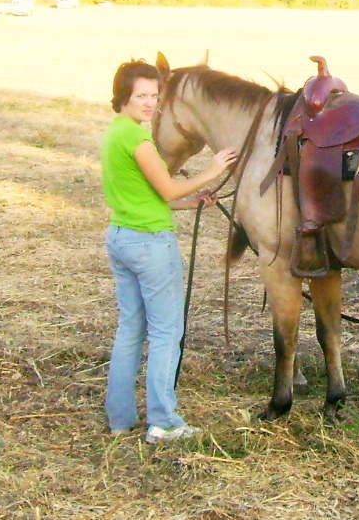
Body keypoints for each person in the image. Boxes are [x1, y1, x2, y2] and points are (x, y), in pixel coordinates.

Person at [101, 59, 238, 444]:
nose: (148, 103)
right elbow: (167, 189)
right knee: (166, 332)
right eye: (140, 96)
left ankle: (120, 417)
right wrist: (211, 170)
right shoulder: (139, 140)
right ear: (123, 97)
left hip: (122, 236)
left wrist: (195, 200)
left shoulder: (115, 133)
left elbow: (148, 195)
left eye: (153, 96)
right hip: (150, 245)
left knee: (130, 329)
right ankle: (163, 421)